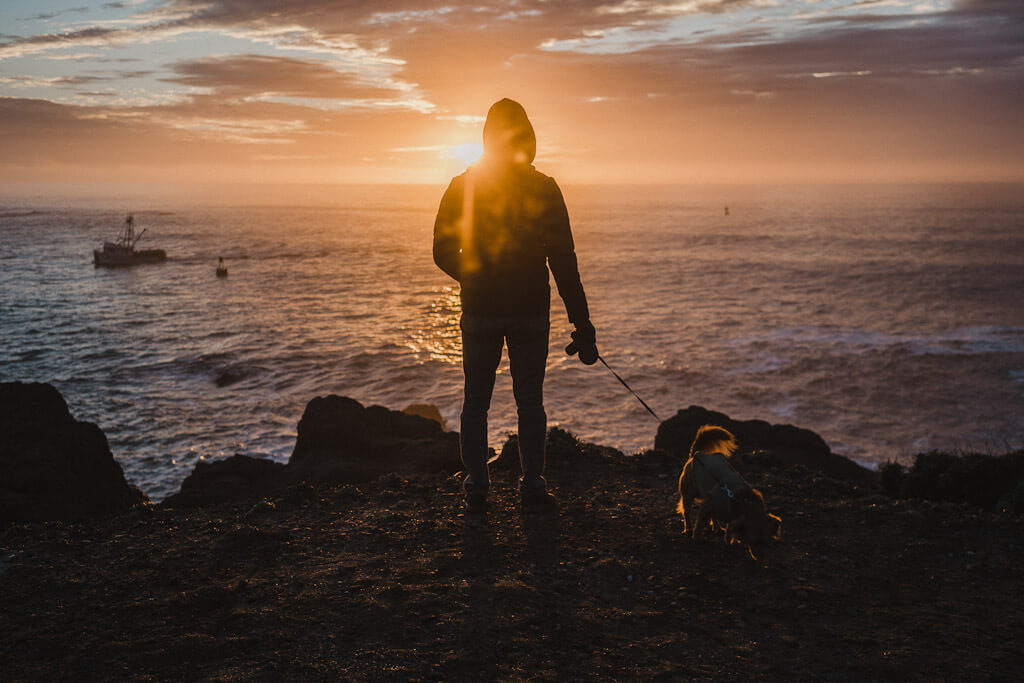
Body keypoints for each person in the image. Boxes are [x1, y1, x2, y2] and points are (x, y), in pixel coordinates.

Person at [433, 98, 598, 513]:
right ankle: (533, 483)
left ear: (487, 138)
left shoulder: (463, 185)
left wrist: (475, 275)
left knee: (476, 400)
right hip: (529, 311)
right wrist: (583, 326)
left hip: (480, 310)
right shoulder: (544, 188)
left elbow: (441, 251)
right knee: (529, 399)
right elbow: (564, 261)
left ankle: (476, 483)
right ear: (528, 138)